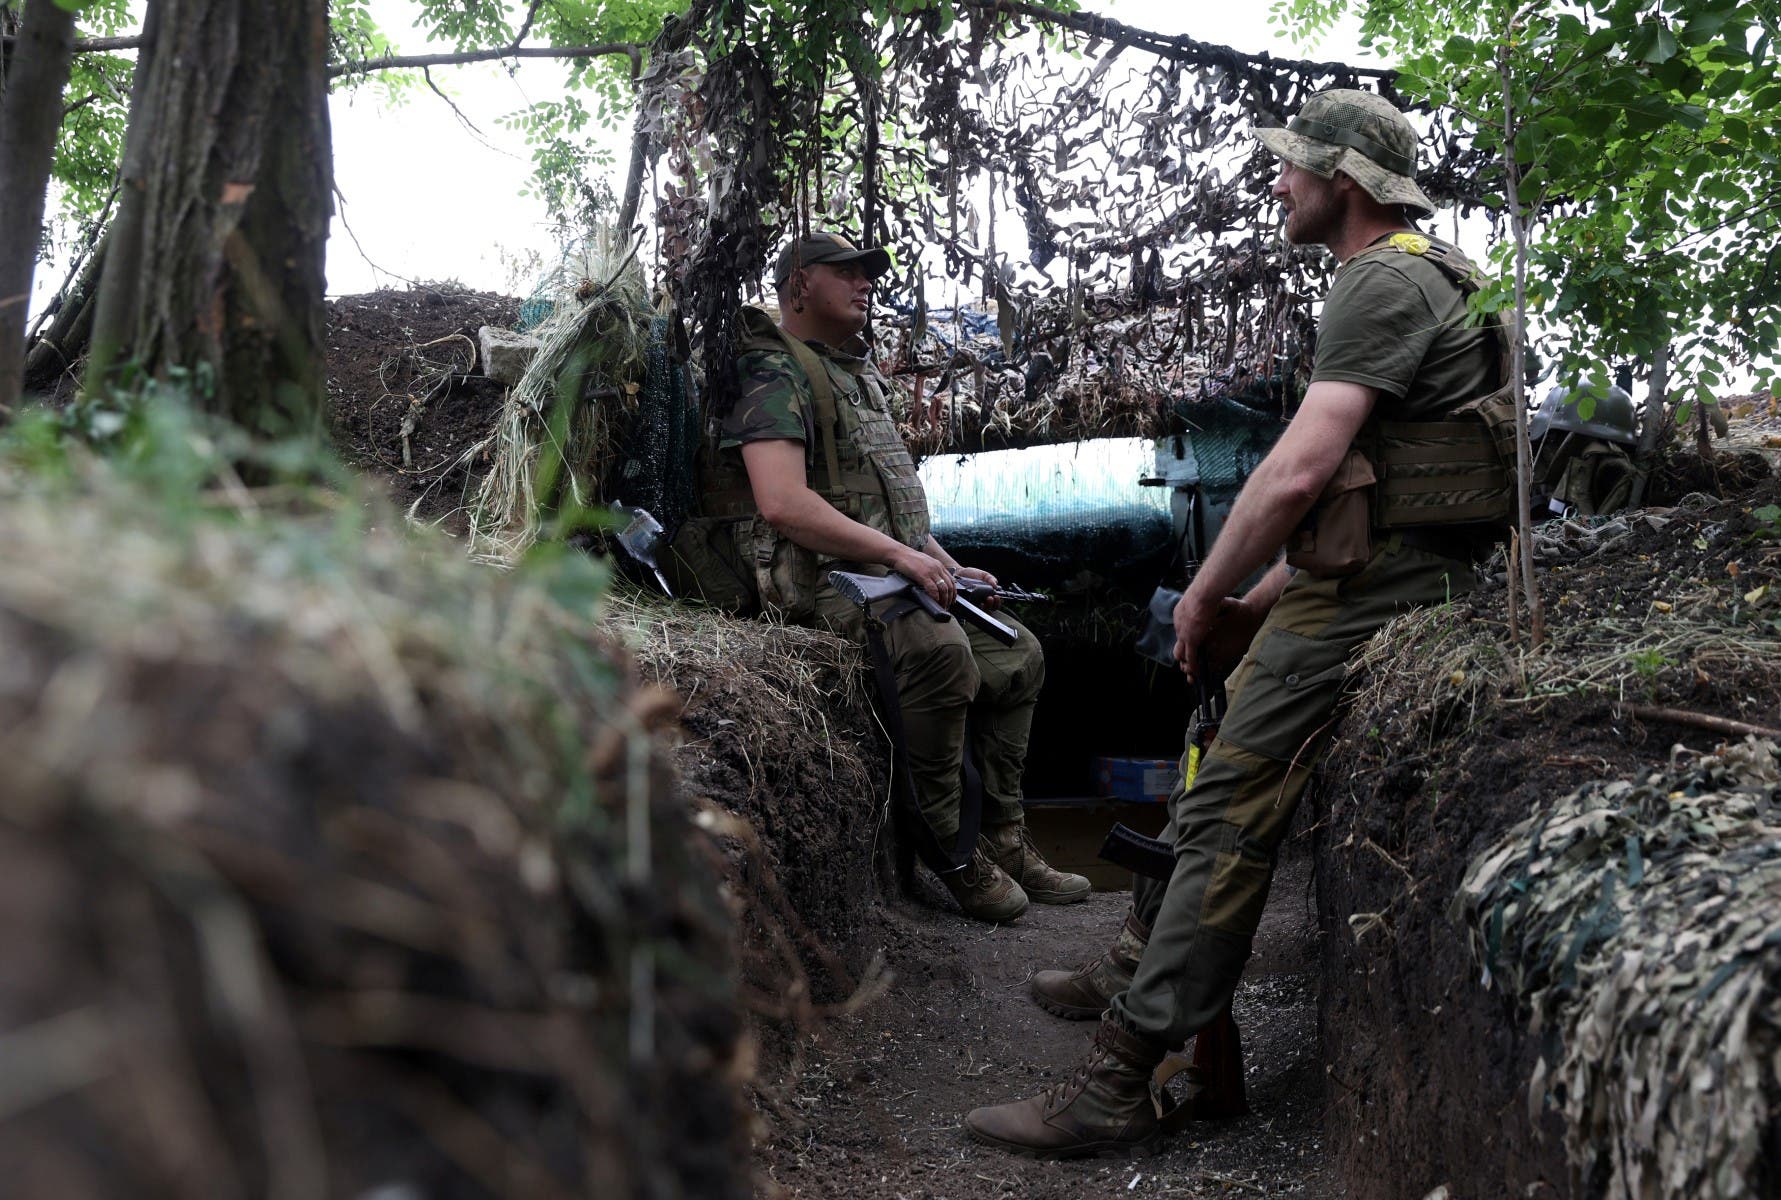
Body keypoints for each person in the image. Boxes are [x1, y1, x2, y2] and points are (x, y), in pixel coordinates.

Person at [965, 88, 1513, 1156]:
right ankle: (1130, 964)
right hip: (1379, 571)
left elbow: (1298, 471)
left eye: (1293, 168)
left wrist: (1209, 592)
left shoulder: (1378, 281)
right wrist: (1255, 607)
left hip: (1384, 589)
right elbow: (1371, 497)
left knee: (1222, 819)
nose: (1278, 184)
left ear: (1342, 183)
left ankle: (1120, 1081)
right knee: (1207, 748)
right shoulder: (1431, 273)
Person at [667, 229, 1089, 923]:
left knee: (1016, 655)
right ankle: (949, 851)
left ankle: (1005, 837)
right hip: (808, 576)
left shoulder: (852, 373)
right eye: (847, 272)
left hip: (875, 569)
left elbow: (882, 501)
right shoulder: (769, 368)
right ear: (799, 283)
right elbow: (781, 502)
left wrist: (945, 563)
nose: (866, 282)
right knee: (937, 653)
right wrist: (901, 559)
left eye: (868, 273)